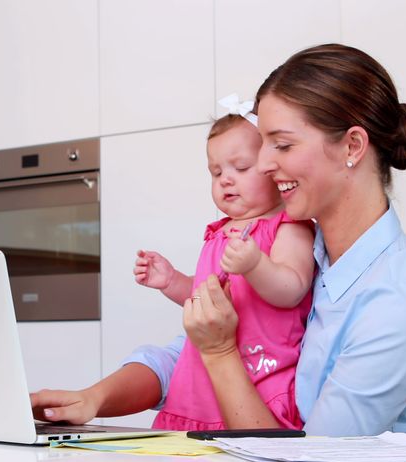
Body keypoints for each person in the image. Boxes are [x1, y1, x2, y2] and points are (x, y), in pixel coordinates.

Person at [30, 43, 406, 437]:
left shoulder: (396, 306)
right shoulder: (307, 257)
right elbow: (185, 356)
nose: (265, 164)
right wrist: (92, 399)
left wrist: (220, 352)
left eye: (281, 144)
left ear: (352, 146)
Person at [132, 109, 315, 431]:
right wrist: (172, 281)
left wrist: (256, 264)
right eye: (216, 173)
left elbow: (292, 289)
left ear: (274, 169)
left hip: (259, 380)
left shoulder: (287, 226)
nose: (225, 179)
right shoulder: (219, 232)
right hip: (201, 387)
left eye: (241, 167)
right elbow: (210, 298)